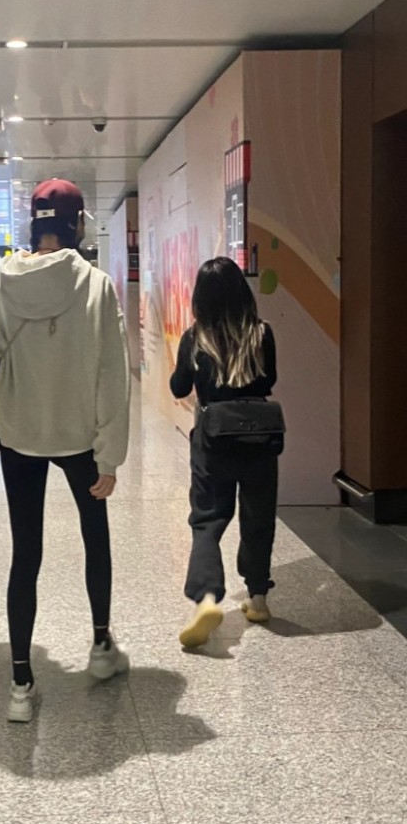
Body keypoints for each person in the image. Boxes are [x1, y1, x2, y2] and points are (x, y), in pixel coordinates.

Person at [0, 178, 131, 722]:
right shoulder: (96, 286)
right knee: (95, 537)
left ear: (33, 224)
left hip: (20, 435)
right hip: (79, 436)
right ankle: (100, 647)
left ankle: (20, 684)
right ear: (78, 223)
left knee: (25, 553)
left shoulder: (2, 282)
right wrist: (110, 455)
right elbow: (112, 375)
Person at [169, 256, 280, 649]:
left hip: (212, 440)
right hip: (259, 440)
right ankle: (258, 597)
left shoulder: (195, 337)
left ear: (201, 297)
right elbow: (269, 379)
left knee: (207, 519)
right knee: (258, 515)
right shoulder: (261, 333)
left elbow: (179, 388)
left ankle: (207, 599)